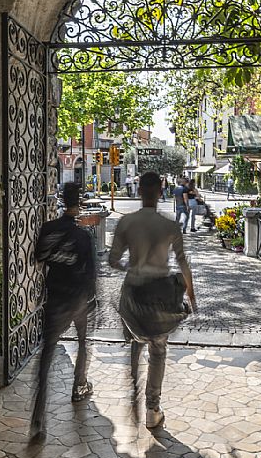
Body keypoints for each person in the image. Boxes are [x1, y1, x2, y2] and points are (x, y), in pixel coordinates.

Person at [109, 172, 196, 429]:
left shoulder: (127, 222)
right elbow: (182, 261)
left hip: (133, 291)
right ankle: (152, 408)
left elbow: (113, 260)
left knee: (135, 337)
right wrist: (190, 293)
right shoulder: (170, 226)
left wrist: (132, 267)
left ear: (139, 192)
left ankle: (133, 389)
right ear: (161, 191)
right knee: (158, 349)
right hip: (160, 295)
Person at [30, 182, 97, 442]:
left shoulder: (48, 230)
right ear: (79, 203)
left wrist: (56, 253)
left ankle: (38, 417)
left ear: (60, 199)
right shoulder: (83, 236)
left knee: (47, 352)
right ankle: (79, 385)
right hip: (78, 299)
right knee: (82, 342)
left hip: (56, 298)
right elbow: (91, 274)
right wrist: (92, 299)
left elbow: (39, 256)